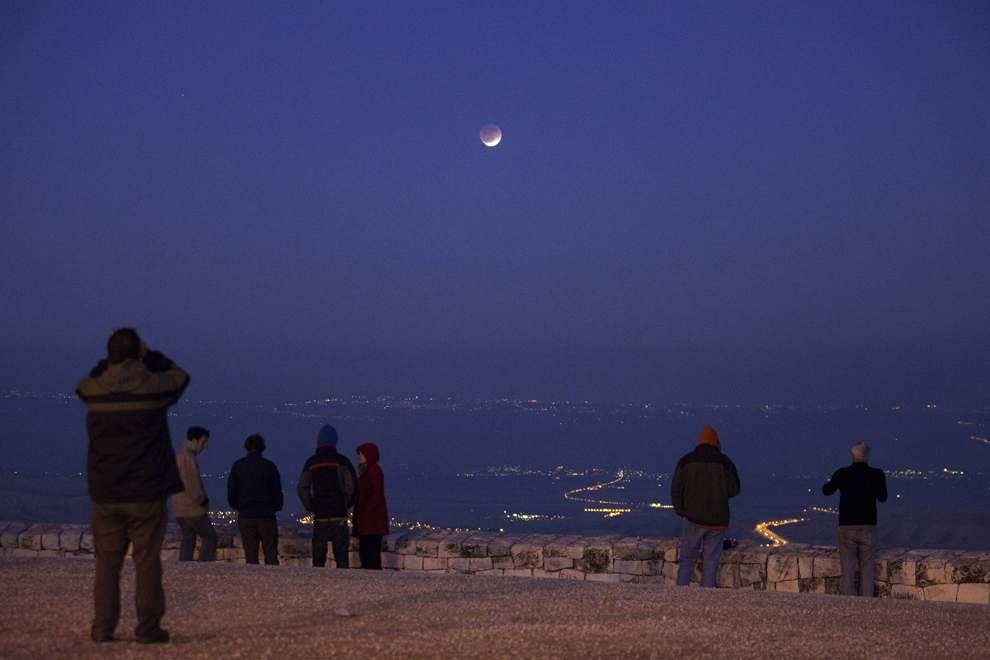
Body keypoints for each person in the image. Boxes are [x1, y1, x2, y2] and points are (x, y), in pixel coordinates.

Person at [75, 328, 189, 644]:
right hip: (146, 493)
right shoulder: (152, 390)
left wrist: (111, 361)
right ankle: (148, 628)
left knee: (107, 566)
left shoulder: (94, 391)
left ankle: (102, 628)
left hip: (106, 493)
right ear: (138, 352)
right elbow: (179, 377)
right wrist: (148, 355)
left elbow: (84, 382)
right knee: (147, 563)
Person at [671, 425, 741, 588]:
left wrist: (682, 512)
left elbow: (676, 489)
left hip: (693, 519)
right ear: (716, 442)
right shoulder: (725, 462)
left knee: (687, 560)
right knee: (711, 562)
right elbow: (735, 490)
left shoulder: (686, 461)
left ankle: (680, 596)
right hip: (718, 521)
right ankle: (706, 600)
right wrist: (719, 493)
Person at [823, 441, 888, 597]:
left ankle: (849, 607)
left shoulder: (842, 473)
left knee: (847, 570)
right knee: (867, 570)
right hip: (868, 526)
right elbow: (883, 497)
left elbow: (827, 491)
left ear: (852, 456)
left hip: (847, 526)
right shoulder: (877, 474)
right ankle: (865, 606)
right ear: (867, 457)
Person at [298, 425, 357, 568]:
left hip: (320, 515)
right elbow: (352, 486)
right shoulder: (342, 461)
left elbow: (302, 489)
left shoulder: (311, 462)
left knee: (318, 559)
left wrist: (312, 506)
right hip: (339, 514)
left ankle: (318, 587)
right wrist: (345, 503)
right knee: (342, 558)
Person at [227, 434, 284, 565]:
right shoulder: (269, 466)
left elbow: (232, 491)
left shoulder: (238, 465)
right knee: (270, 554)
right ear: (262, 448)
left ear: (247, 447)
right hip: (266, 514)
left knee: (250, 555)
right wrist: (275, 507)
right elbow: (277, 492)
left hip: (246, 514)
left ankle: (253, 583)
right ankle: (273, 582)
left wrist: (237, 506)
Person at [171, 426, 217, 562]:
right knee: (210, 537)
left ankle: (184, 570)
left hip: (179, 508)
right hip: (191, 508)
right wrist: (202, 500)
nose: (204, 445)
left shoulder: (180, 456)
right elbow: (191, 484)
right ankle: (203, 567)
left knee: (188, 539)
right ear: (195, 440)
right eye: (203, 442)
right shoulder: (187, 457)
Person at [352, 442, 390, 569]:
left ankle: (373, 580)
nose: (360, 456)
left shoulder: (374, 470)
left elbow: (378, 493)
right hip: (368, 521)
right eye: (359, 454)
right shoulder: (367, 471)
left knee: (370, 554)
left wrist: (367, 511)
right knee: (366, 553)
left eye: (362, 454)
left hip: (372, 521)